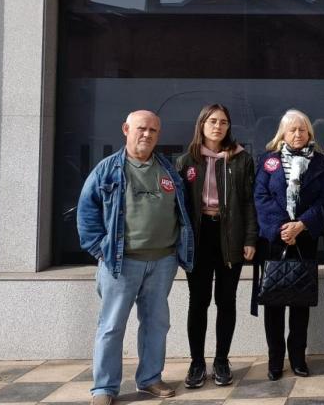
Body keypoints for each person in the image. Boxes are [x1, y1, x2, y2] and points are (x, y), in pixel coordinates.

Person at [77, 111, 195, 405]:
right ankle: (104, 388)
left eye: (153, 130)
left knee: (156, 323)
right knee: (111, 326)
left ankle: (150, 378)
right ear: (126, 129)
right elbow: (86, 213)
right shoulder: (107, 170)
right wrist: (101, 250)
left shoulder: (168, 169)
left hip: (163, 261)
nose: (147, 134)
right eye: (141, 128)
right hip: (121, 263)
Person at [176, 104, 256, 388]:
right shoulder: (187, 161)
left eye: (223, 122)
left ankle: (222, 360)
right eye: (212, 121)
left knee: (226, 300)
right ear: (201, 124)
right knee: (198, 301)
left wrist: (249, 239)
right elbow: (179, 206)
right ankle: (197, 362)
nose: (218, 126)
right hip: (199, 238)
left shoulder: (240, 159)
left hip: (229, 236)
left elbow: (249, 202)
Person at [254, 110, 324, 380]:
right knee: (273, 303)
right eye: (292, 130)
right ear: (282, 134)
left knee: (300, 301)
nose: (297, 134)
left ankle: (298, 357)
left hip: (305, 239)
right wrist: (282, 228)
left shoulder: (320, 163)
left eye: (302, 130)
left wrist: (301, 225)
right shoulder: (269, 161)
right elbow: (261, 197)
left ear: (309, 133)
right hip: (275, 241)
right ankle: (275, 360)